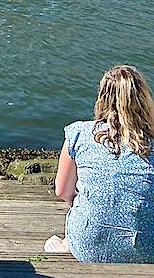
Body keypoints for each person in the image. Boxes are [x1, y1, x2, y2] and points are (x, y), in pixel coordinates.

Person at [46, 65, 154, 261]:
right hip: (146, 250)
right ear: (144, 99)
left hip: (87, 245)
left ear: (102, 96)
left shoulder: (79, 133)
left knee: (69, 232)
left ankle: (64, 245)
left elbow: (62, 191)